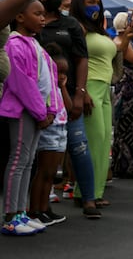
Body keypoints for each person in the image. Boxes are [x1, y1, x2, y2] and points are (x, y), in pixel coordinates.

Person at [36, 0, 101, 218]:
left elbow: (81, 59)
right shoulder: (34, 20)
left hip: (67, 95)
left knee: (79, 146)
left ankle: (89, 199)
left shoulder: (71, 24)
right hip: (38, 98)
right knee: (41, 154)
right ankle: (39, 206)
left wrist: (79, 93)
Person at [1, 0, 53, 235]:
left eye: (43, 14)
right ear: (19, 17)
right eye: (37, 13)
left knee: (27, 161)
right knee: (18, 160)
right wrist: (41, 111)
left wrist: (49, 109)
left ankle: (20, 212)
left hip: (35, 111)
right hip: (23, 111)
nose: (43, 18)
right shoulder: (14, 44)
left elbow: (47, 79)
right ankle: (11, 216)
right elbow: (21, 83)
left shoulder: (33, 44)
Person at [70, 0, 117, 209]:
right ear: (80, 4)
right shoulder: (76, 27)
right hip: (89, 87)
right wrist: (82, 91)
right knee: (94, 140)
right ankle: (85, 192)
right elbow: (74, 61)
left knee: (103, 141)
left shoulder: (99, 32)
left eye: (97, 2)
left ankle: (94, 191)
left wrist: (126, 39)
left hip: (106, 88)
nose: (96, 6)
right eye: (90, 2)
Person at [28, 43, 70, 226]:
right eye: (57, 71)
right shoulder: (45, 88)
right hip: (50, 129)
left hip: (62, 128)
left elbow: (69, 107)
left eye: (64, 72)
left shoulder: (59, 89)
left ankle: (45, 208)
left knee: (52, 173)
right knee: (43, 171)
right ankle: (35, 209)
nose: (60, 76)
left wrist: (64, 86)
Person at [110, 11, 133, 179]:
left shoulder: (123, 42)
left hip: (127, 89)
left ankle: (128, 163)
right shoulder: (122, 43)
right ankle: (128, 165)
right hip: (128, 90)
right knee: (129, 130)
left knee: (130, 130)